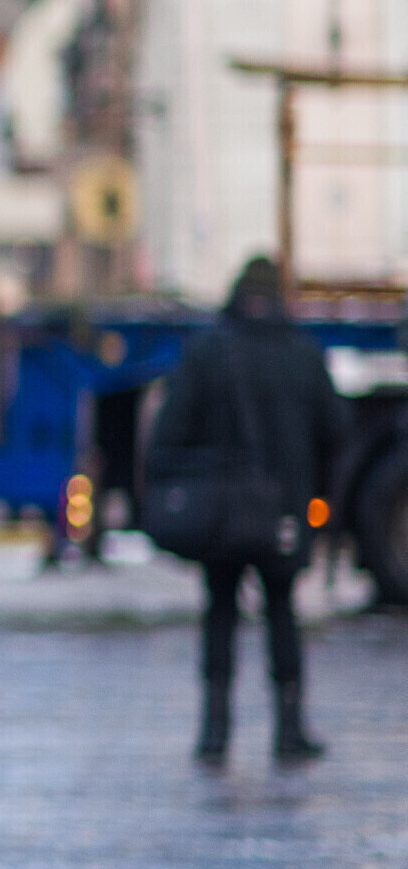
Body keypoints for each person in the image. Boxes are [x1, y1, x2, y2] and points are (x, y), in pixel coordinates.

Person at [147, 256, 349, 764]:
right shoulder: (302, 354)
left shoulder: (208, 351)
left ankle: (214, 731)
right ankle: (289, 729)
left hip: (221, 515)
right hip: (282, 514)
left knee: (219, 610)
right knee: (281, 610)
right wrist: (314, 495)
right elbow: (337, 431)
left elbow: (170, 433)